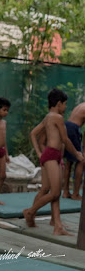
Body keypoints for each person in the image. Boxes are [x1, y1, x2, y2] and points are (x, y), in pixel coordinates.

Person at [23, 88, 84, 236]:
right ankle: (30, 212)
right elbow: (65, 139)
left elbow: (33, 133)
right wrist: (77, 154)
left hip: (52, 155)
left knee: (50, 190)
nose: (66, 107)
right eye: (65, 104)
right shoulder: (56, 117)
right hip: (51, 155)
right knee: (55, 192)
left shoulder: (48, 117)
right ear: (58, 104)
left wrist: (39, 152)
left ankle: (57, 226)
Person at [62, 102, 85, 200]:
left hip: (67, 126)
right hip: (74, 128)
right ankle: (75, 193)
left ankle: (65, 191)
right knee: (81, 160)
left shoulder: (81, 105)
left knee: (69, 162)